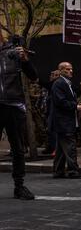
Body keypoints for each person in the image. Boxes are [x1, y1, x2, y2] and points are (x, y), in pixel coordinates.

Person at [0, 32, 38, 200]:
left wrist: (24, 59)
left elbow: (34, 76)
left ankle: (19, 186)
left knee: (18, 148)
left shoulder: (14, 51)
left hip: (13, 104)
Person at [51, 62, 81, 179]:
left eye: (71, 69)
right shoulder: (59, 83)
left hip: (66, 121)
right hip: (63, 122)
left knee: (61, 149)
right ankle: (73, 171)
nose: (71, 71)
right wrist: (76, 106)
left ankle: (58, 171)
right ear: (60, 71)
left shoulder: (66, 83)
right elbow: (60, 102)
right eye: (67, 69)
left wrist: (77, 108)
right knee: (70, 146)